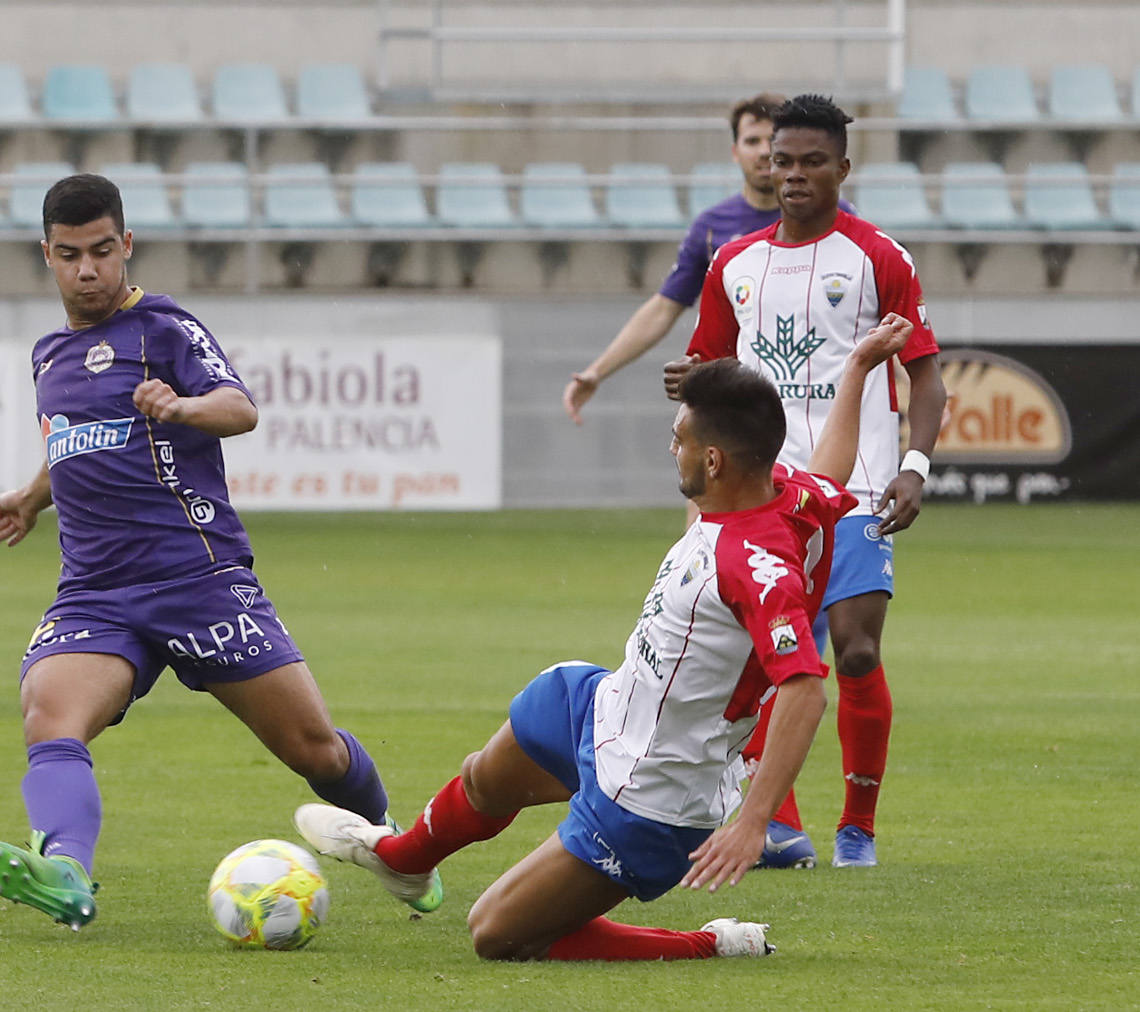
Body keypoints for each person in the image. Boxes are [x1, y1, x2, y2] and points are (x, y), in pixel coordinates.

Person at [294, 315, 913, 962]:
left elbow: (806, 689)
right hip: (606, 706)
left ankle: (708, 942)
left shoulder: (756, 568)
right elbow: (833, 474)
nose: (669, 448)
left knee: (496, 933)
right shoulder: (790, 493)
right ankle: (401, 860)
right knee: (489, 772)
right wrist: (857, 369)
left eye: (677, 439)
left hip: (654, 793)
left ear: (713, 460)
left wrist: (754, 823)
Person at [0, 173, 440, 929]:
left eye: (100, 251)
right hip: (96, 593)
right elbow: (73, 440)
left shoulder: (164, 329)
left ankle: (400, 848)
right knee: (49, 715)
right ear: (47, 255)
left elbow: (240, 407)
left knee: (315, 750)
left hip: (198, 580)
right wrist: (33, 495)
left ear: (126, 245)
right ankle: (64, 870)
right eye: (69, 255)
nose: (86, 270)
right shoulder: (49, 354)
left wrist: (182, 406)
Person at [663, 94, 948, 870]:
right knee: (761, 656)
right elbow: (708, 373)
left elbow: (926, 378)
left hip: (857, 488)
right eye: (780, 160)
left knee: (853, 651)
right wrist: (689, 381)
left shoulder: (877, 257)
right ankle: (779, 825)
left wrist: (915, 467)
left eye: (810, 161)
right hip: (762, 498)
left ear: (842, 168)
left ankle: (858, 824)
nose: (791, 174)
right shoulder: (735, 262)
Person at [563, 92, 853, 426]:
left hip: (820, 403)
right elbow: (663, 307)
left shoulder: (837, 219)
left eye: (770, 141)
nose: (762, 151)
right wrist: (597, 372)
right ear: (734, 152)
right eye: (751, 140)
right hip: (741, 411)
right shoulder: (713, 228)